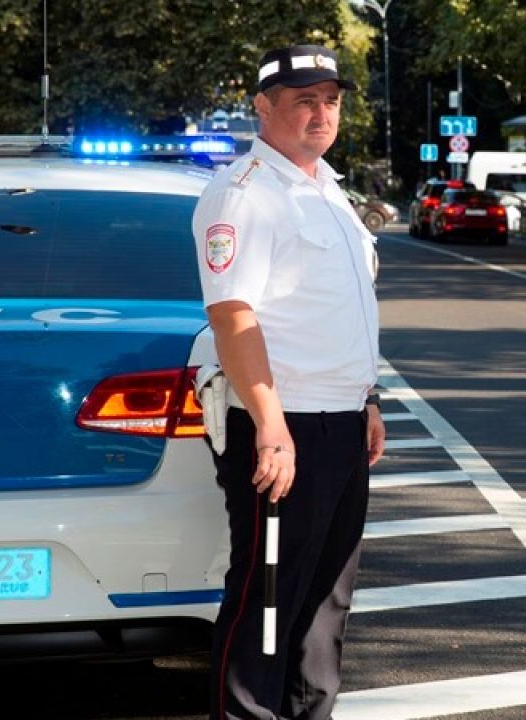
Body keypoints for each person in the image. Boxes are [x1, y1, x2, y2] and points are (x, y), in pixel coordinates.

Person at [192, 42, 385, 720]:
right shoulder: (244, 194)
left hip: (338, 422)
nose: (321, 113)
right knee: (268, 602)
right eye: (303, 99)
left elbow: (338, 310)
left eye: (330, 100)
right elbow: (232, 316)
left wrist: (368, 399)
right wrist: (271, 427)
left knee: (325, 605)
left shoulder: (327, 190)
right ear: (263, 107)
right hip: (282, 425)